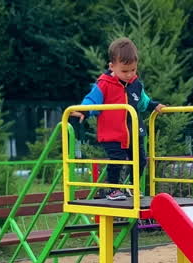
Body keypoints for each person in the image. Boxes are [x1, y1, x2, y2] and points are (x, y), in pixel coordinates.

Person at [71, 38, 166, 200]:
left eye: (133, 70)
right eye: (124, 71)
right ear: (112, 66)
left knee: (141, 161)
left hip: (134, 132)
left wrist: (154, 105)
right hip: (112, 134)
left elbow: (142, 101)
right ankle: (113, 189)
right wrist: (83, 110)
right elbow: (92, 100)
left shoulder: (136, 84)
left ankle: (133, 187)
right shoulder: (104, 84)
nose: (129, 75)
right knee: (118, 159)